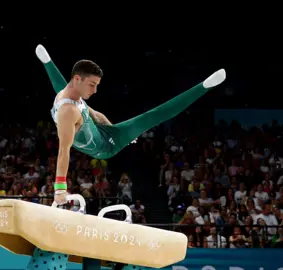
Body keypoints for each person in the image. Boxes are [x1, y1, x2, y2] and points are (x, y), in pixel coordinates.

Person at [35, 45, 226, 204]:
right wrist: (60, 189)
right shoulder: (68, 111)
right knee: (152, 116)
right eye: (92, 84)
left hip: (106, 132)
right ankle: (203, 87)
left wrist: (117, 131)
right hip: (103, 148)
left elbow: (94, 114)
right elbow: (63, 151)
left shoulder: (73, 95)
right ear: (78, 79)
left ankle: (47, 62)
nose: (95, 90)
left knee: (63, 89)